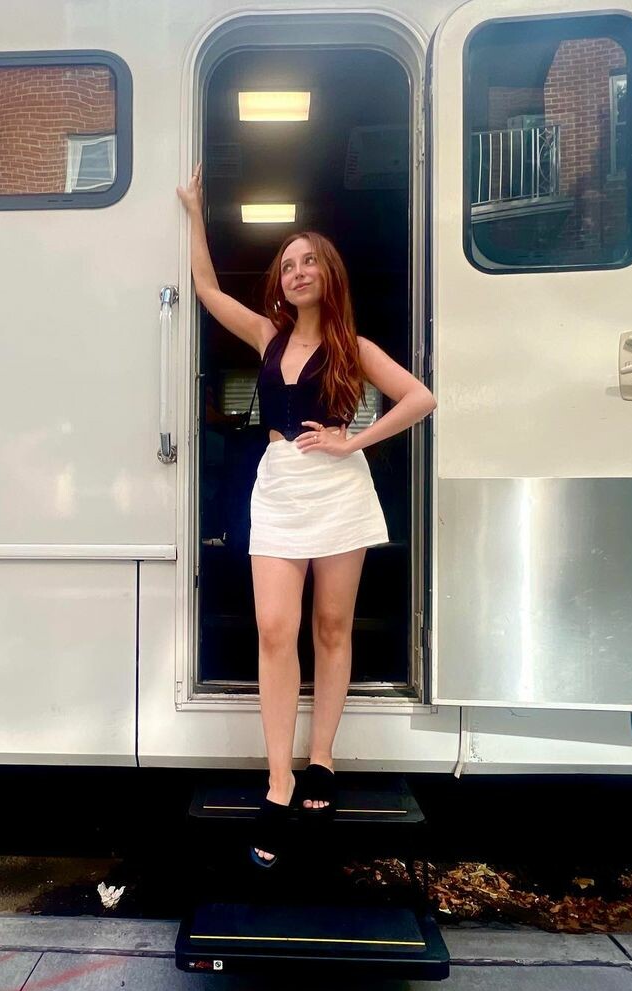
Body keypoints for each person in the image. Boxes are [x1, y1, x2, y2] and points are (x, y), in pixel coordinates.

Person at [177, 164, 436, 867]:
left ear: (329, 274)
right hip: (279, 487)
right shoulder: (266, 336)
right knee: (274, 629)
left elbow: (420, 399)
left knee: (330, 627)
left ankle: (320, 760)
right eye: (287, 264)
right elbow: (207, 291)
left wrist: (354, 440)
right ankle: (279, 780)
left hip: (339, 488)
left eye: (308, 261)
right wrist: (196, 211)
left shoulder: (355, 348)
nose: (296, 272)